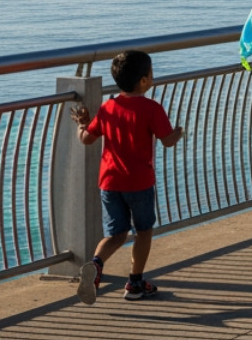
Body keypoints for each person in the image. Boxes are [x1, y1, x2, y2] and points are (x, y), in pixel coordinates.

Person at [71, 49, 184, 304]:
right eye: (151, 74)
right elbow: (167, 141)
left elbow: (86, 138)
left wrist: (81, 123)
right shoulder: (151, 108)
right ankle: (134, 284)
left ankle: (96, 264)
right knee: (143, 231)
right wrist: (178, 132)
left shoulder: (108, 108)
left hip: (110, 184)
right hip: (139, 183)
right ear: (144, 81)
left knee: (115, 233)